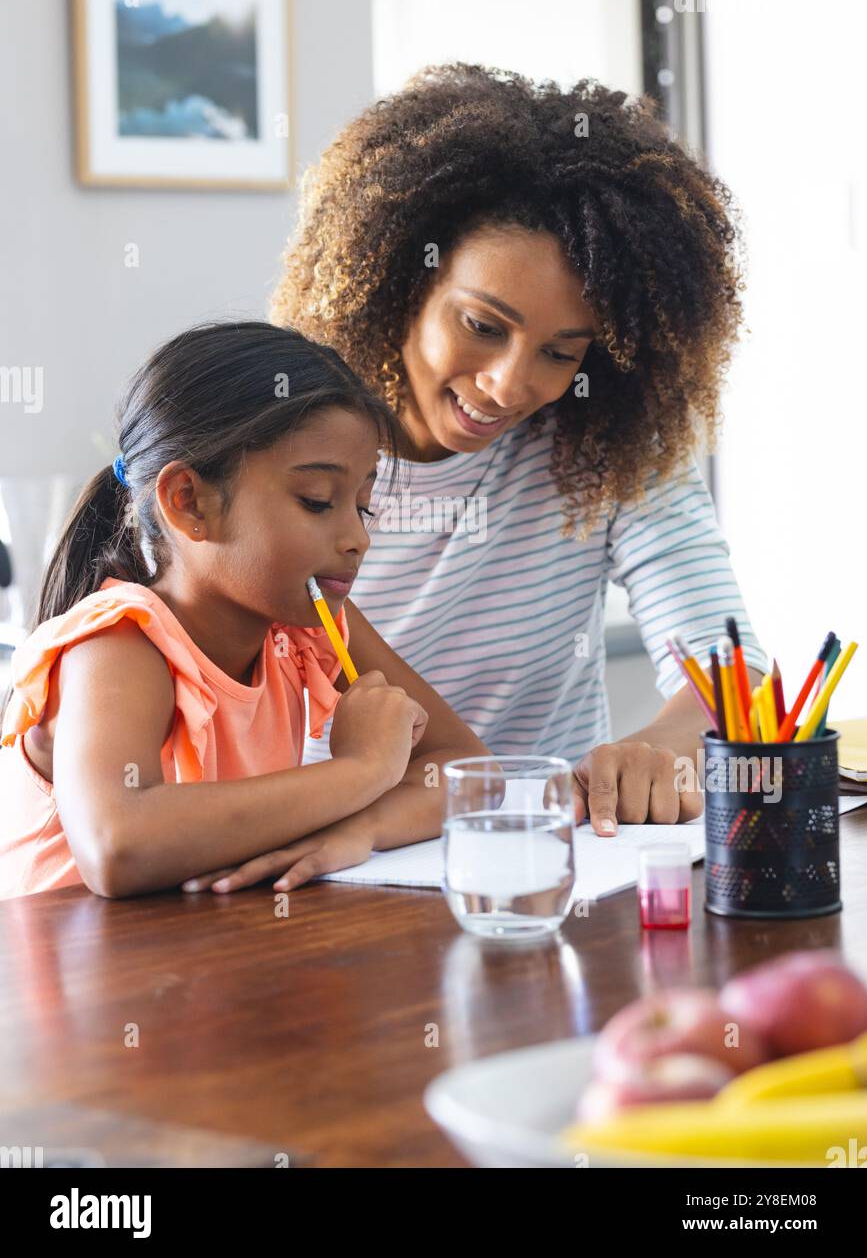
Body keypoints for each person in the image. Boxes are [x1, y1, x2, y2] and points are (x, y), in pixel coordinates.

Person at [268, 62, 767, 839]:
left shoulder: (611, 446)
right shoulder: (288, 458)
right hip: (338, 864)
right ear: (403, 281)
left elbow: (736, 677)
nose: (508, 385)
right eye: (482, 326)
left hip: (556, 868)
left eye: (560, 353)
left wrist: (657, 752)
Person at [0, 322, 488, 900]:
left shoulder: (310, 627)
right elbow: (116, 845)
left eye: (364, 507)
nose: (358, 538)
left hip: (203, 965)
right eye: (317, 501)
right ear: (189, 501)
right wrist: (362, 771)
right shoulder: (122, 643)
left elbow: (469, 774)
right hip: (86, 979)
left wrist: (361, 829)